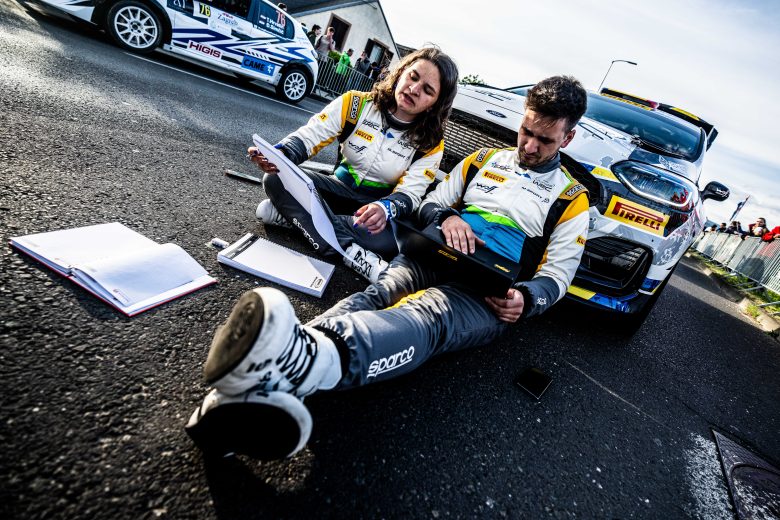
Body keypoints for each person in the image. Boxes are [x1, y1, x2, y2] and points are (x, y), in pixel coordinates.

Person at [186, 76, 591, 460]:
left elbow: (558, 276)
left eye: (544, 140)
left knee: (428, 316)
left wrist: (527, 299)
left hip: (483, 292)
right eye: (526, 131)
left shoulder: (572, 198)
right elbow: (431, 202)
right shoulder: (483, 159)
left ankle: (295, 365)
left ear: (567, 138)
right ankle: (278, 369)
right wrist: (449, 218)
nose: (530, 145)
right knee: (379, 294)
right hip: (432, 254)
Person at [250, 47, 458, 282]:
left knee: (394, 242)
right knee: (275, 177)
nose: (414, 89)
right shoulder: (356, 103)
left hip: (373, 211)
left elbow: (411, 193)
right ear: (400, 73)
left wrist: (385, 208)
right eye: (413, 76)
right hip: (336, 190)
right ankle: (351, 252)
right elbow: (311, 135)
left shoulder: (431, 143)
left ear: (435, 104)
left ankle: (295, 220)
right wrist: (279, 154)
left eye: (428, 90)